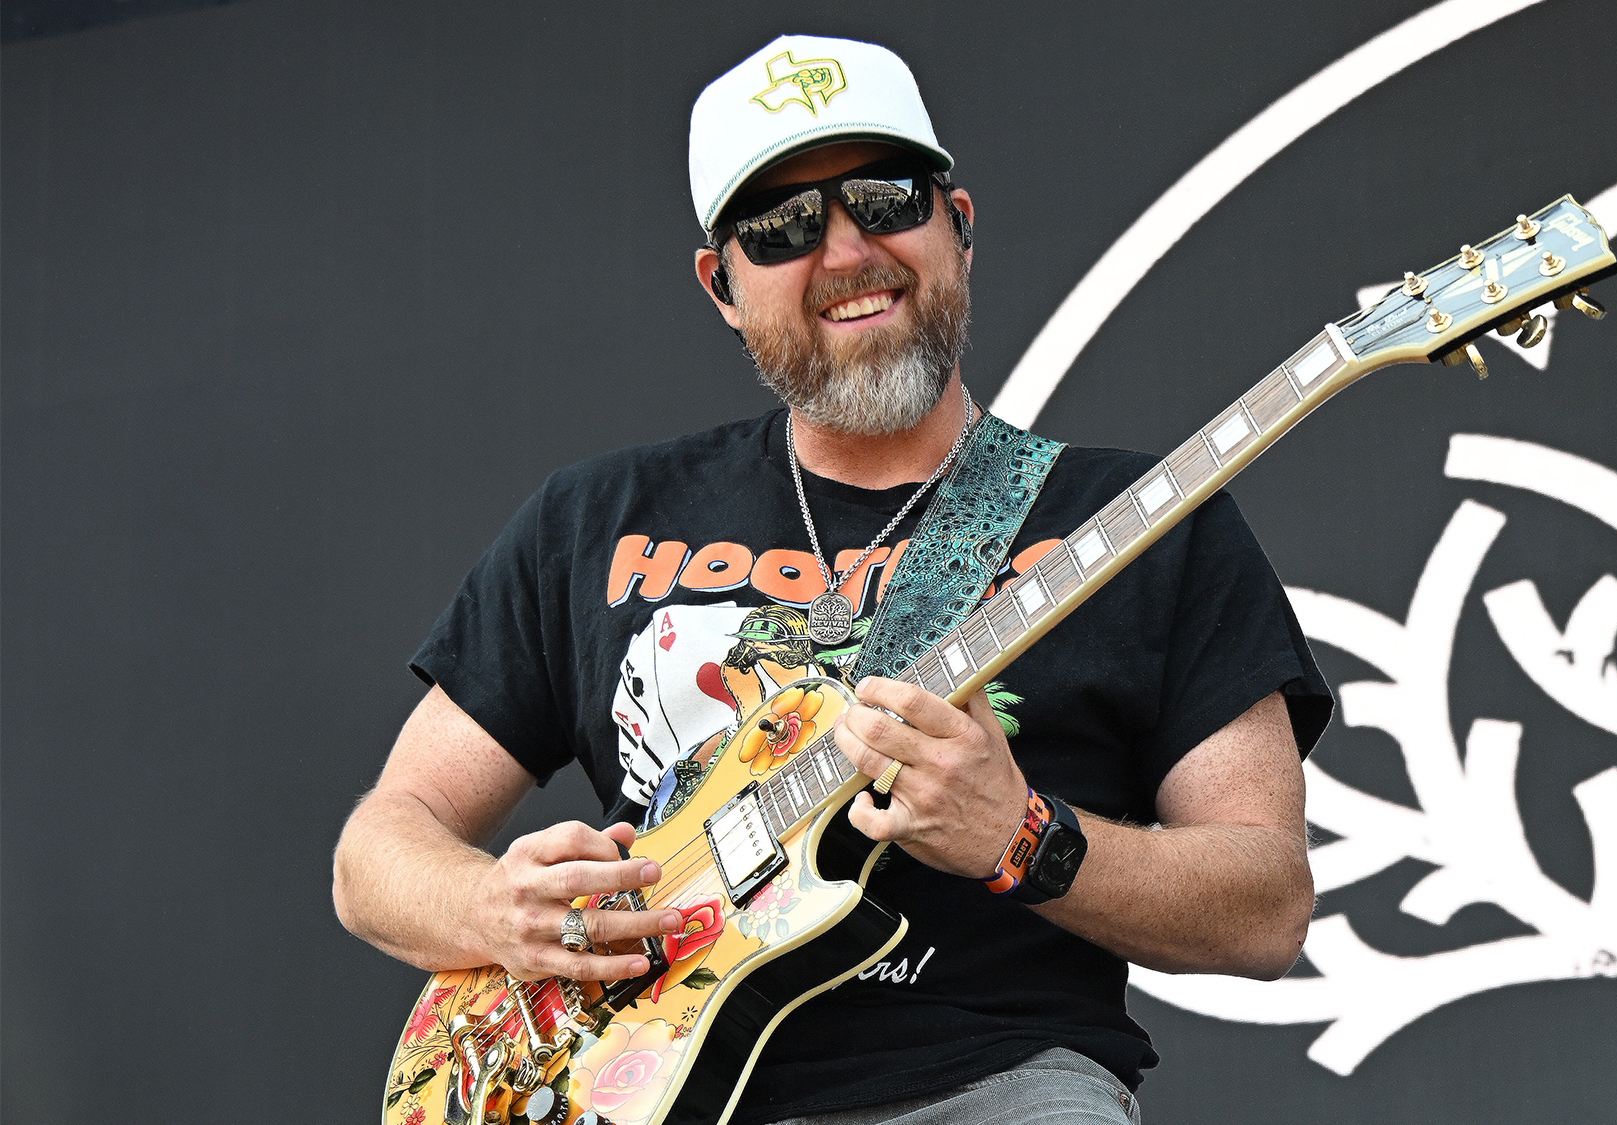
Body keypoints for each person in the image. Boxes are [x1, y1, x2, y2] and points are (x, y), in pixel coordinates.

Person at [333, 33, 1331, 1125]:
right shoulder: (596, 519)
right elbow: (377, 851)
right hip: (633, 1088)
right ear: (722, 285)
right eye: (781, 228)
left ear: (955, 223)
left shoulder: (1142, 526)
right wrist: (493, 908)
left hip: (989, 1086)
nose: (847, 251)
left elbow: (1265, 909)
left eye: (885, 197)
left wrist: (1023, 837)